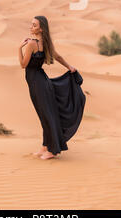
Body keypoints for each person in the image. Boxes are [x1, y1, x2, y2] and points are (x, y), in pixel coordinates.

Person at [18, 15, 86, 160]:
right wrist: (69, 66)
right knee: (45, 116)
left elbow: (23, 65)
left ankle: (53, 150)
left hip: (38, 84)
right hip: (42, 82)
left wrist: (18, 48)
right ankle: (44, 146)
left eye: (34, 25)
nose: (31, 27)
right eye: (31, 24)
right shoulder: (45, 43)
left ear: (41, 29)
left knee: (47, 116)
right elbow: (58, 57)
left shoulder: (31, 44)